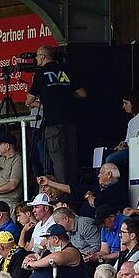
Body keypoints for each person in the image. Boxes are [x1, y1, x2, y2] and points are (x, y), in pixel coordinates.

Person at [26, 45, 87, 186]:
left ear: (42, 56)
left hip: (53, 123)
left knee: (58, 159)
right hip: (71, 121)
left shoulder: (41, 74)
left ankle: (64, 194)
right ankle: (74, 189)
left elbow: (29, 100)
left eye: (37, 56)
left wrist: (45, 101)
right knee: (71, 156)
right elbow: (83, 93)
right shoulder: (66, 70)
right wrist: (65, 95)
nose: (36, 59)